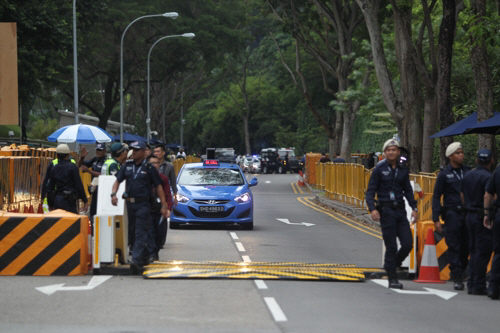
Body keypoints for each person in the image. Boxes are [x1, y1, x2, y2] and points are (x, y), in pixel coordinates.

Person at [366, 139, 418, 289]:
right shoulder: (379, 169)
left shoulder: (403, 169)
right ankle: (393, 278)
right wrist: (373, 209)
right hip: (386, 211)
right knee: (391, 246)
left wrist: (414, 208)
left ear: (398, 152)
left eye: (394, 150)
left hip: (400, 210)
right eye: (389, 150)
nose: (391, 152)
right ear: (385, 152)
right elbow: (370, 191)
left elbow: (408, 190)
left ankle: (392, 264)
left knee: (408, 243)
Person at [111, 141, 169, 274]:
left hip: (144, 204)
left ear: (144, 152)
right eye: (132, 150)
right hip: (130, 204)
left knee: (140, 231)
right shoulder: (127, 166)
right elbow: (117, 181)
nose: (134, 152)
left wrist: (164, 205)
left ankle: (136, 260)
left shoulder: (149, 168)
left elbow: (159, 187)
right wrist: (113, 194)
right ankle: (144, 257)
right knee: (132, 231)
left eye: (137, 150)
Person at [432, 142, 470, 290]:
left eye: (462, 152)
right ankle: (457, 276)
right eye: (457, 153)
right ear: (450, 156)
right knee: (453, 245)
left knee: (466, 246)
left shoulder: (468, 171)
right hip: (452, 213)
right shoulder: (444, 174)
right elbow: (436, 196)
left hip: (467, 213)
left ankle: (462, 269)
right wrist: (436, 219)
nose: (461, 155)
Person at [461, 149, 493, 295]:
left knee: (473, 249)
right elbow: (490, 196)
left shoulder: (467, 175)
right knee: (483, 250)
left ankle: (472, 282)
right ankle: (479, 283)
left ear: (476, 160)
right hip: (482, 216)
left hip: (469, 214)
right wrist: (488, 213)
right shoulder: (489, 177)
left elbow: (462, 195)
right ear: (491, 161)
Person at [47, 144, 88, 214]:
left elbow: (50, 187)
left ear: (57, 155)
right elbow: (78, 185)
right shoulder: (72, 167)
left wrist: (50, 204)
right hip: (69, 201)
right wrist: (85, 200)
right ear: (68, 155)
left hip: (58, 199)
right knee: (72, 222)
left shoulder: (54, 168)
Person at [146, 155, 173, 261]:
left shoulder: (163, 178)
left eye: (157, 163)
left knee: (160, 233)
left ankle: (155, 252)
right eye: (152, 163)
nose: (155, 165)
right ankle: (151, 253)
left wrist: (168, 208)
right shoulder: (144, 177)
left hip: (160, 209)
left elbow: (167, 194)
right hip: (147, 209)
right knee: (150, 232)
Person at [483, 156, 500, 299]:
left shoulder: (497, 171)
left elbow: (488, 195)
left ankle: (493, 288)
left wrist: (486, 214)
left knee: (498, 252)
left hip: (499, 215)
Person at [79, 143, 107, 220]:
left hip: (103, 190)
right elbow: (81, 165)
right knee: (92, 213)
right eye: (97, 150)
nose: (98, 152)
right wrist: (82, 157)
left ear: (104, 151)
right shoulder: (94, 160)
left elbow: (103, 174)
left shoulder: (106, 161)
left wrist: (88, 171)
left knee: (100, 213)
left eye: (100, 150)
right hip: (94, 190)